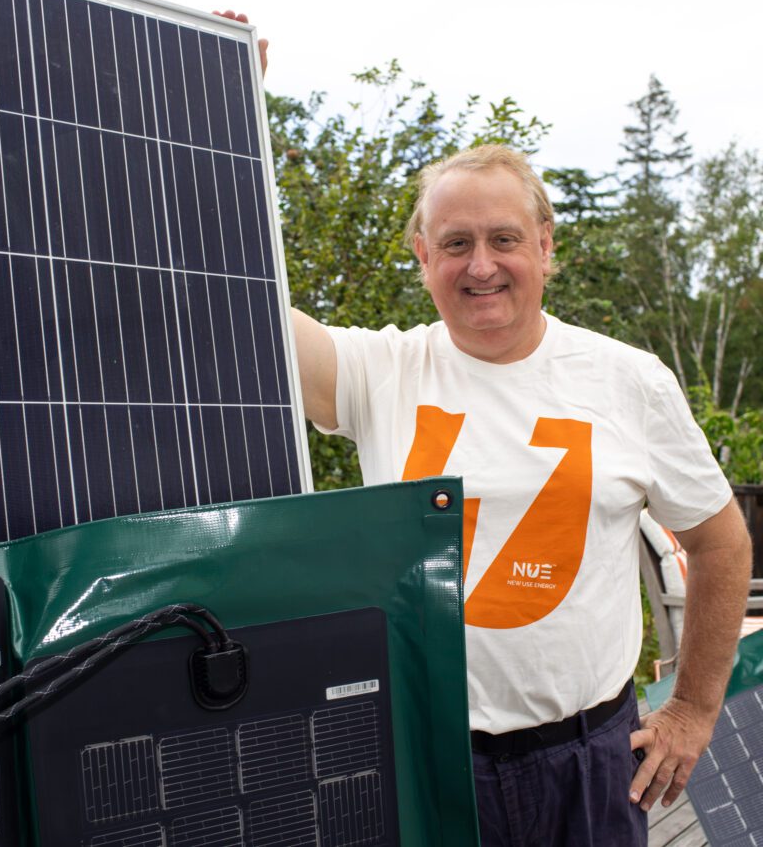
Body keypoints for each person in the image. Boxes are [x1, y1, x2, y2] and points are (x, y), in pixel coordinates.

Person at [289, 145, 753, 845]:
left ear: (544, 244)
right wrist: (218, 96)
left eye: (503, 238)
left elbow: (720, 541)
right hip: (425, 761)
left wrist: (691, 709)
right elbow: (239, 298)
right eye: (455, 243)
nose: (481, 265)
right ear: (422, 255)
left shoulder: (628, 380)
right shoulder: (376, 369)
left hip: (592, 763)